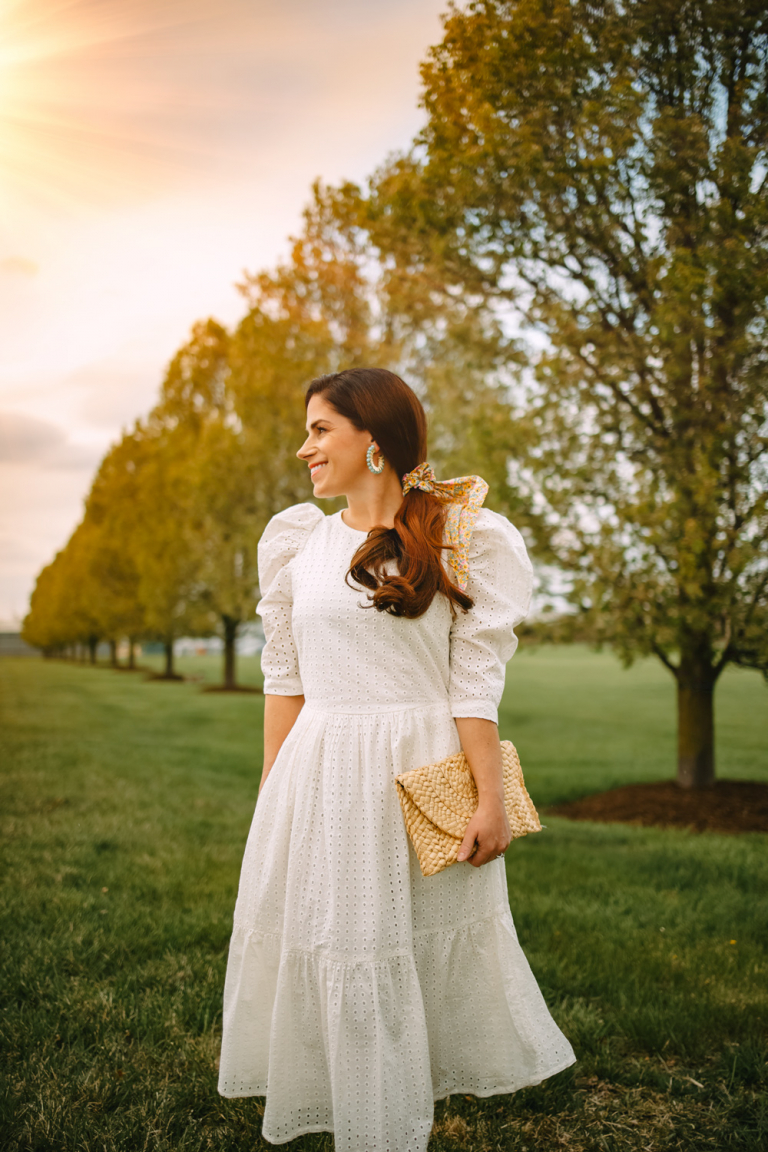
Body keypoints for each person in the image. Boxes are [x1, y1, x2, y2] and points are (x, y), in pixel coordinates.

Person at [217, 367, 575, 1150]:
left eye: (320, 430)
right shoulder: (296, 545)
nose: (303, 447)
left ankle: (390, 1123)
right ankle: (362, 1119)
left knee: (400, 949)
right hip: (321, 774)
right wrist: (274, 796)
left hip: (419, 771)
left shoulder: (462, 536)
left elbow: (472, 689)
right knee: (342, 942)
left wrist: (489, 799)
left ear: (372, 441)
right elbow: (285, 683)